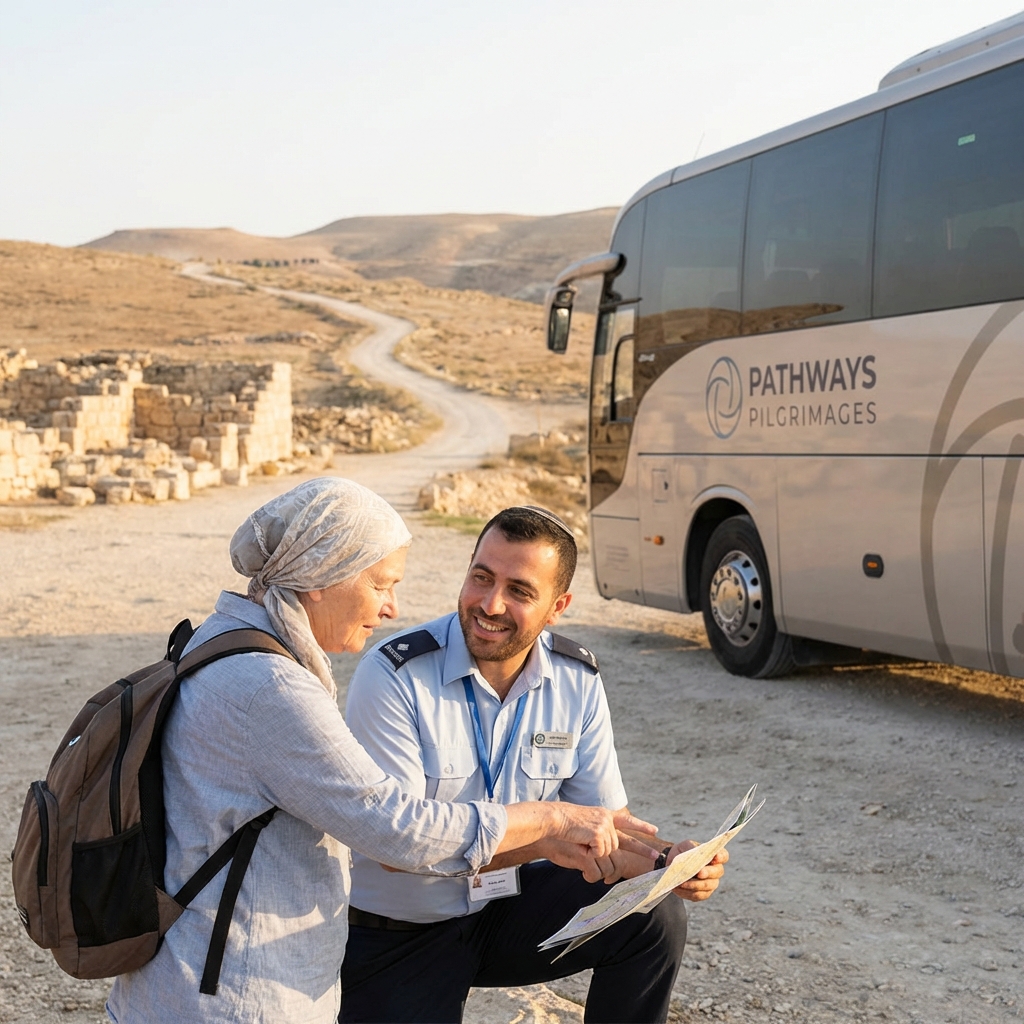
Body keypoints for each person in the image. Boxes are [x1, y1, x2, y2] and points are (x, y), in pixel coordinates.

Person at [105, 480, 656, 1024]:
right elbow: (396, 831)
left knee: (653, 913)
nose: (392, 607)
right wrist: (550, 821)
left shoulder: (239, 646)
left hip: (223, 972)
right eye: (381, 584)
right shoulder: (271, 688)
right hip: (235, 993)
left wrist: (661, 859)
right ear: (323, 575)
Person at [341, 505, 729, 1024]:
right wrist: (547, 837)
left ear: (557, 606)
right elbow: (398, 849)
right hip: (399, 930)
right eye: (481, 577)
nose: (490, 604)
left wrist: (669, 864)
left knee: (652, 912)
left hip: (504, 911)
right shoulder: (395, 674)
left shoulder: (577, 678)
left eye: (519, 591)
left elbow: (603, 824)